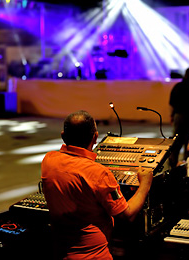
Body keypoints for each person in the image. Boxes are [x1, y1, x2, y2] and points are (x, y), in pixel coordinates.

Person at [41, 110, 153, 259]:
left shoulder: (48, 161)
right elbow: (127, 216)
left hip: (60, 252)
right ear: (95, 137)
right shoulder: (99, 173)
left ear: (63, 136)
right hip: (95, 256)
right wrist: (145, 184)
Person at [169, 64, 189, 167]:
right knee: (188, 141)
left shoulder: (178, 86)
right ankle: (185, 164)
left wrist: (172, 116)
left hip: (179, 116)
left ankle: (173, 164)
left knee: (177, 141)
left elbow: (172, 103)